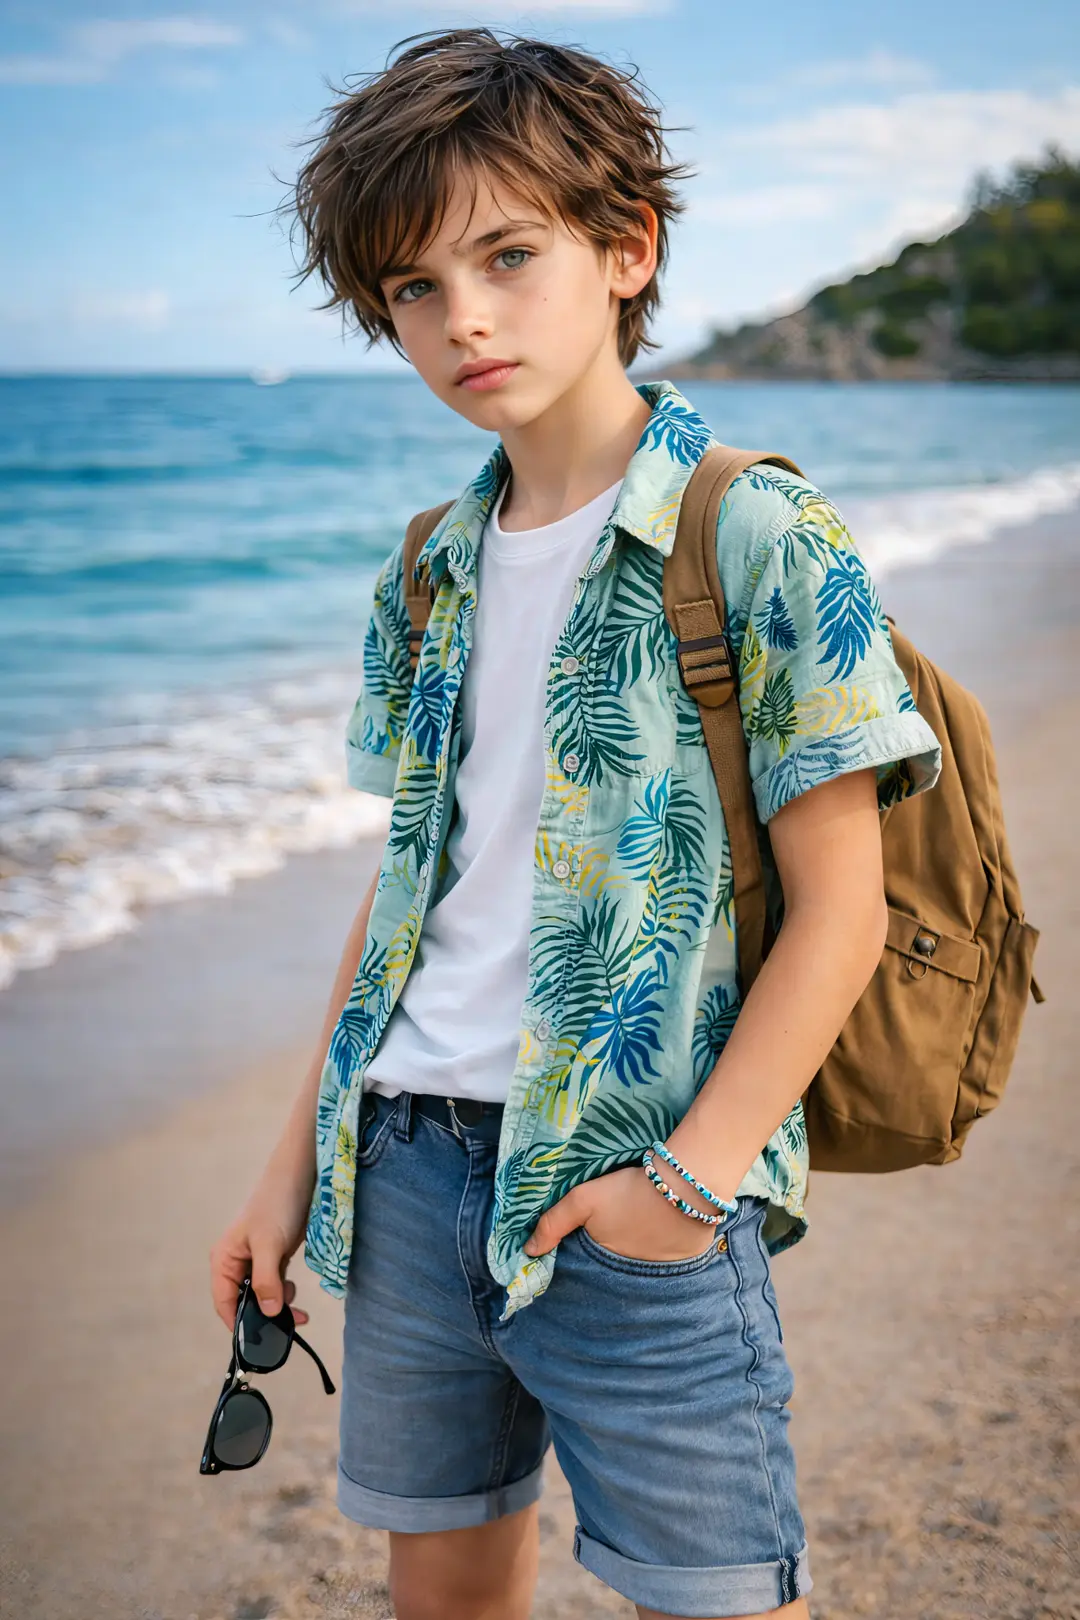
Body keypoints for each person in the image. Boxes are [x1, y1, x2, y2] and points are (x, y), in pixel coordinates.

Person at [209, 29, 942, 1620]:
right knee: (447, 1594)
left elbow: (846, 908)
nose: (462, 316)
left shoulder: (750, 524)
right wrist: (294, 1168)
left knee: (723, 1598)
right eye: (411, 286)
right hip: (403, 1162)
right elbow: (411, 887)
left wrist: (686, 1185)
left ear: (627, 249)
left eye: (508, 254)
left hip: (641, 1174)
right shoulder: (426, 567)